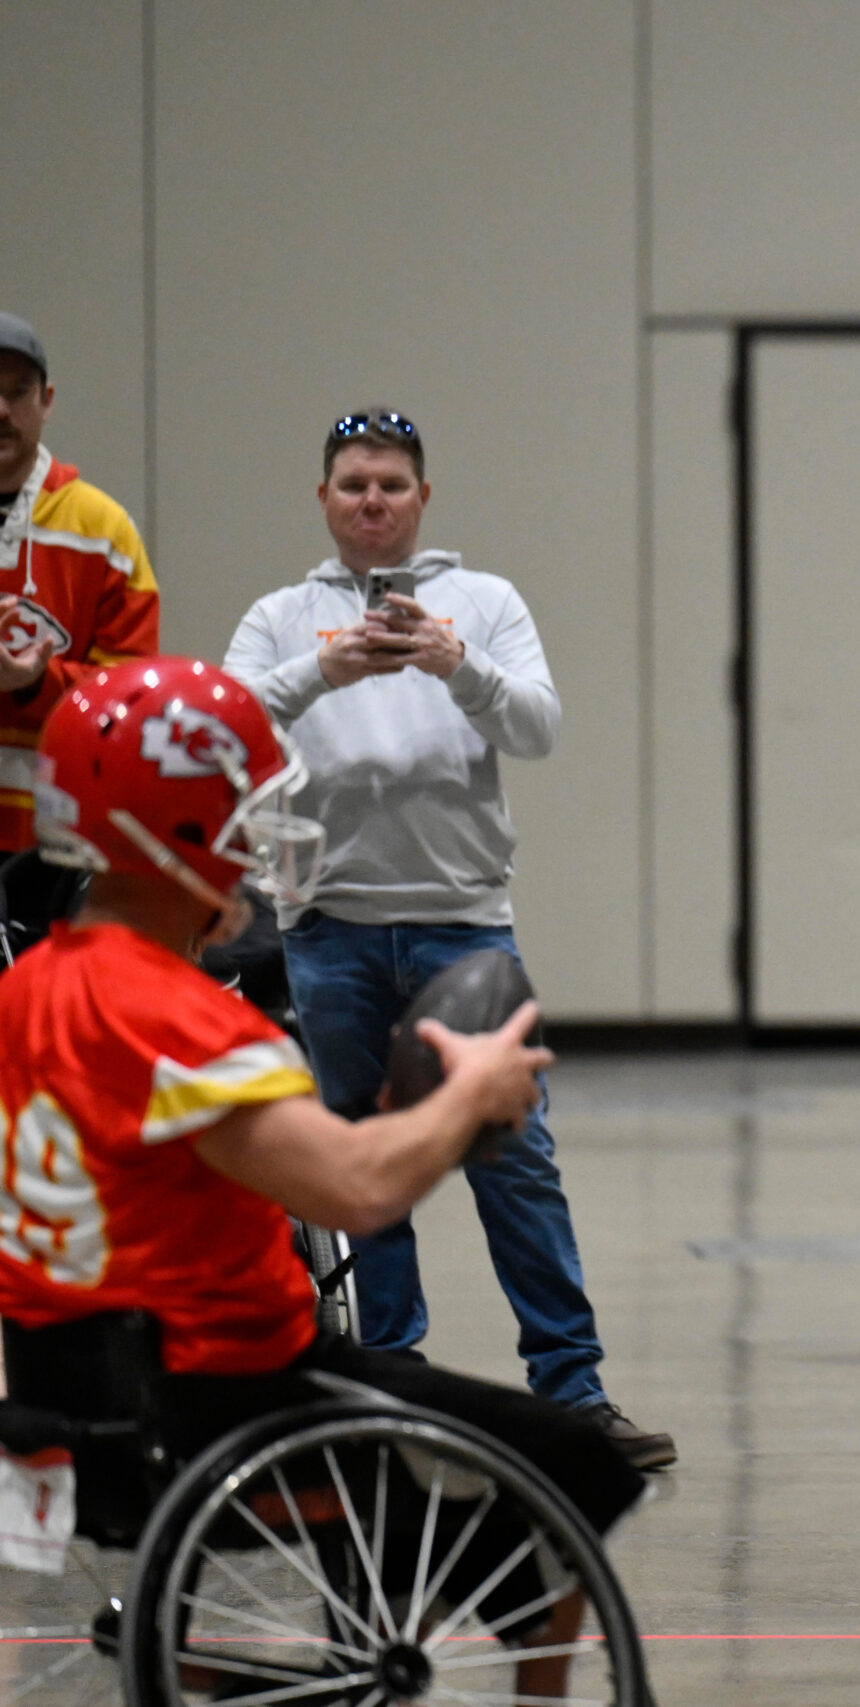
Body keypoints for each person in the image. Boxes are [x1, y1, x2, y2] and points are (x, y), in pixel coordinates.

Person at [0, 658, 644, 1690]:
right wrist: (468, 1098)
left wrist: (399, 1117)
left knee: (420, 1421)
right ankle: (535, 1670)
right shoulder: (183, 1022)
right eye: (240, 814)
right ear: (179, 830)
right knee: (581, 1459)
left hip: (74, 1389)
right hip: (230, 1395)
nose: (257, 842)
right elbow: (354, 1192)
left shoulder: (32, 987)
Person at [222, 409, 673, 1470]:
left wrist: (454, 664)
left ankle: (571, 1393)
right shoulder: (285, 616)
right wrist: (322, 675)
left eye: (389, 484)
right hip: (329, 929)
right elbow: (227, 720)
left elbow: (539, 727)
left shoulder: (484, 603)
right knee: (350, 1164)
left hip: (465, 927)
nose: (370, 500)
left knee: (516, 1161)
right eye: (351, 485)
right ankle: (391, 1389)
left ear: (423, 498)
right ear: (324, 501)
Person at [0, 311, 159, 942]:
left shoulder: (103, 529)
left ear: (48, 401)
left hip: (57, 846)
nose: (1, 410)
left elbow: (133, 699)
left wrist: (30, 685)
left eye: (16, 392)